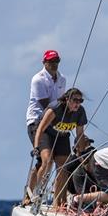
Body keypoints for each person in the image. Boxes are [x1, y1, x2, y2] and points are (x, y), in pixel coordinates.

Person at [31, 88, 89, 207]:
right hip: (46, 134)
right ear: (67, 99)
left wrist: (83, 153)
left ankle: (57, 204)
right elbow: (40, 129)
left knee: (63, 167)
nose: (77, 103)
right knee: (47, 161)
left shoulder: (80, 112)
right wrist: (36, 147)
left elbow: (80, 135)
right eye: (75, 100)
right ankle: (35, 194)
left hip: (62, 136)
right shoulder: (55, 108)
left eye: (80, 100)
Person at [25, 50, 67, 202]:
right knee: (46, 160)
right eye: (51, 61)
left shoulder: (62, 79)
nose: (54, 64)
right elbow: (46, 106)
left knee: (63, 163)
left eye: (56, 61)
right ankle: (30, 196)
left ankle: (58, 201)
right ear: (44, 63)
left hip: (55, 122)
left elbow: (61, 102)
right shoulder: (38, 79)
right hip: (37, 121)